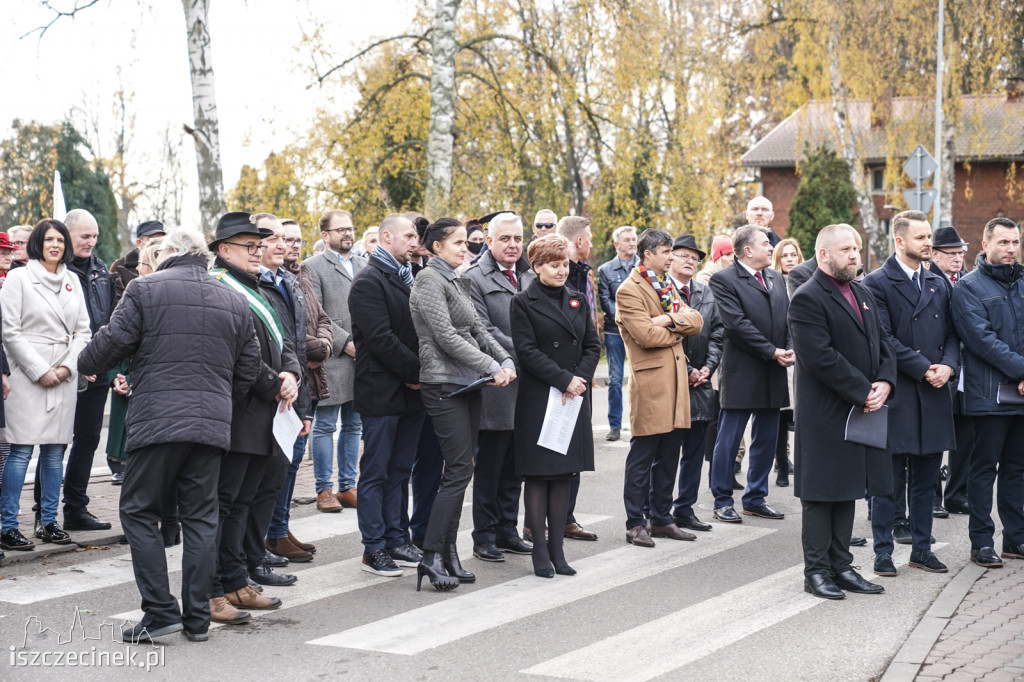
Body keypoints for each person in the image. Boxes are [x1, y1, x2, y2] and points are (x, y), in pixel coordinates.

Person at [78, 228, 261, 643]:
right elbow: (248, 366)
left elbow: (109, 343)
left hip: (158, 421)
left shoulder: (145, 289)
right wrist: (218, 399)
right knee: (201, 518)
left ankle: (160, 611)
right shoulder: (232, 297)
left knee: (140, 511)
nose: (154, 257)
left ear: (172, 253)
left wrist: (87, 361)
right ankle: (197, 619)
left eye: (158, 251)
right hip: (211, 425)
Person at [408, 217, 516, 591]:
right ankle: (430, 555)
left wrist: (504, 360)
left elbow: (479, 330)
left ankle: (448, 553)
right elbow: (445, 336)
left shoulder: (457, 278)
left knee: (462, 470)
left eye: (464, 242)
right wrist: (489, 365)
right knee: (456, 471)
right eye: (456, 242)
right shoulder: (428, 280)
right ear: (436, 246)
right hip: (441, 384)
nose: (463, 248)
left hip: (468, 384)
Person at [789, 223, 896, 599]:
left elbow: (883, 343)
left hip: (861, 409)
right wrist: (862, 389)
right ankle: (816, 572)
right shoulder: (807, 297)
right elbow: (820, 357)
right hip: (825, 414)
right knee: (821, 494)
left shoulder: (862, 292)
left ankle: (842, 566)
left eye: (857, 248)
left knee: (847, 489)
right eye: (847, 249)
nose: (855, 255)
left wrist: (885, 381)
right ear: (824, 254)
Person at [208, 212, 301, 620]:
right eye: (250, 246)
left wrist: (292, 374)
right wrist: (274, 381)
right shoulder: (220, 288)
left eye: (259, 244)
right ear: (223, 250)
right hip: (237, 411)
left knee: (242, 502)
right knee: (224, 503)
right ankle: (217, 587)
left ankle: (236, 580)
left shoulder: (257, 286)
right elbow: (235, 358)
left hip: (265, 412)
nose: (258, 251)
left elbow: (285, 342)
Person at [863, 210, 958, 577]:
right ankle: (883, 553)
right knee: (887, 483)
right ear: (899, 241)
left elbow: (953, 332)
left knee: (926, 480)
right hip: (899, 391)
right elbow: (884, 339)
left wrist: (948, 367)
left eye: (929, 236)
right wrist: (924, 368)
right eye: (920, 238)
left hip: (935, 392)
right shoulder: (876, 282)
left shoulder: (938, 282)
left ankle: (922, 549)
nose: (928, 243)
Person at [510, 234, 600, 576]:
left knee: (564, 474)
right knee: (538, 475)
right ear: (537, 267)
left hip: (572, 398)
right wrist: (564, 379)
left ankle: (559, 553)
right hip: (541, 397)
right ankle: (540, 553)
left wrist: (580, 378)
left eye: (564, 264)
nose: (561, 271)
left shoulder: (578, 299)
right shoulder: (522, 301)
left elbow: (592, 345)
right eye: (553, 265)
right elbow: (527, 351)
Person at [0, 219, 91, 551]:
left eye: (61, 240)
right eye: (50, 240)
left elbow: (84, 331)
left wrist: (67, 367)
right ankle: (7, 525)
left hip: (63, 374)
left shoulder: (72, 280)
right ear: (38, 242)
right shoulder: (19, 278)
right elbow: (9, 331)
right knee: (21, 450)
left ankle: (49, 522)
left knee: (55, 454)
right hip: (28, 373)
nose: (56, 245)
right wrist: (40, 369)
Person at [616, 228, 704, 548]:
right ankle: (635, 522)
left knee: (670, 454)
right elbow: (645, 336)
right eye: (667, 252)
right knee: (643, 455)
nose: (672, 257)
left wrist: (667, 320)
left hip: (677, 382)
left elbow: (696, 321)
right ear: (648, 254)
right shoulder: (629, 290)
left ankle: (662, 518)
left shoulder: (665, 285)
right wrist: (677, 325)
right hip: (652, 383)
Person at [349, 214, 426, 577]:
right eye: (408, 235)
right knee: (376, 472)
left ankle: (398, 538)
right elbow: (380, 339)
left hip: (412, 392)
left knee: (400, 470)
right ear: (386, 237)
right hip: (382, 390)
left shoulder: (406, 277)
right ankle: (374, 547)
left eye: (416, 236)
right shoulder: (368, 280)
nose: (415, 241)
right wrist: (416, 373)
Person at [951, 217, 1024, 568]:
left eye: (1015, 242)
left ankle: (1015, 539)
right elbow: (982, 341)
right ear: (985, 245)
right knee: (983, 470)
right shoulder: (968, 287)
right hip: (989, 395)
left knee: (1017, 469)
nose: (1010, 249)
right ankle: (981, 542)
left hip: (1022, 395)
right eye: (1003, 243)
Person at [245, 213, 313, 585]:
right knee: (253, 487)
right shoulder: (250, 284)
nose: (281, 244)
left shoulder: (288, 281)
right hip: (262, 396)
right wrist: (279, 382)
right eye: (271, 238)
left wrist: (301, 399)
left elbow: (293, 344)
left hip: (290, 393)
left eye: (284, 239)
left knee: (275, 479)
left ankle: (264, 546)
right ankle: (252, 556)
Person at [708, 225, 793, 523]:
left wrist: (789, 348)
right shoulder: (724, 280)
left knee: (766, 439)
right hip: (743, 371)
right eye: (765, 243)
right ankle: (722, 499)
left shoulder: (776, 279)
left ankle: (756, 497)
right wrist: (772, 351)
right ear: (746, 250)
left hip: (774, 370)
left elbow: (787, 320)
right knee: (729, 440)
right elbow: (735, 324)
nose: (771, 248)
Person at [465, 212, 535, 562]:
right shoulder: (473, 277)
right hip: (496, 384)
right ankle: (484, 535)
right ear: (488, 240)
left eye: (518, 239)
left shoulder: (529, 274)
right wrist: (526, 352)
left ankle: (508, 528)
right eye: (505, 238)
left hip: (528, 386)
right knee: (491, 466)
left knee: (516, 466)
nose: (512, 245)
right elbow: (481, 329)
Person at [265, 218, 332, 561]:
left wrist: (323, 344)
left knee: (289, 464)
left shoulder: (296, 279)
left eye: (294, 240)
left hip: (306, 382)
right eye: (281, 239)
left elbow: (321, 318)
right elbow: (284, 336)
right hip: (283, 382)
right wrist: (312, 349)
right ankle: (272, 533)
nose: (289, 245)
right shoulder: (265, 283)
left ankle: (279, 528)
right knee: (277, 466)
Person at [47, 209, 117, 535]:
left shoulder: (101, 270)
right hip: (65, 370)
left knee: (88, 440)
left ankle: (76, 508)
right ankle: (45, 515)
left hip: (98, 370)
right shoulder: (55, 272)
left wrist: (108, 364)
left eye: (95, 236)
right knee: (55, 443)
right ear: (67, 235)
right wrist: (76, 363)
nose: (91, 242)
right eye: (84, 237)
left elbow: (111, 321)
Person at [302, 209, 366, 512]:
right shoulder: (311, 267)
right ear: (325, 235)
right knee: (326, 424)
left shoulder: (364, 264)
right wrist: (346, 343)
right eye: (341, 229)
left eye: (351, 228)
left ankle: (347, 486)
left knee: (354, 425)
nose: (348, 234)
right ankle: (323, 489)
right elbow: (315, 313)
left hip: (364, 357)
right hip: (333, 356)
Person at [666, 235, 723, 532]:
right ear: (670, 258)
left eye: (694, 258)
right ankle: (659, 510)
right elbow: (665, 335)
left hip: (701, 382)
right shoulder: (661, 290)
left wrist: (708, 367)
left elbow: (717, 333)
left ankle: (684, 508)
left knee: (694, 451)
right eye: (683, 255)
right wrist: (687, 368)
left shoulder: (704, 291)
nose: (690, 261)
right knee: (666, 450)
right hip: (671, 380)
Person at [555, 215, 599, 542]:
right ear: (580, 241)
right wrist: (570, 376)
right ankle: (549, 519)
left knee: (577, 449)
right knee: (558, 449)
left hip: (581, 375)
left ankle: (566, 516)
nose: (592, 244)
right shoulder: (560, 278)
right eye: (591, 238)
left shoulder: (583, 273)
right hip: (562, 378)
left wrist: (586, 372)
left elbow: (590, 333)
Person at [929, 225, 972, 516]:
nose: (957, 258)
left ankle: (957, 494)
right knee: (935, 437)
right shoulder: (928, 279)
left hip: (967, 372)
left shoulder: (965, 281)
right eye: (951, 253)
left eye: (961, 253)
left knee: (965, 436)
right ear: (935, 254)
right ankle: (932, 498)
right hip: (938, 368)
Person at [597, 225, 638, 443]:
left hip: (641, 333)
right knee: (614, 379)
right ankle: (614, 425)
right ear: (617, 244)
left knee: (641, 378)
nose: (632, 243)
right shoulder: (606, 270)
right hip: (615, 332)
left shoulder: (644, 266)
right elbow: (606, 301)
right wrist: (628, 319)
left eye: (634, 239)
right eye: (627, 240)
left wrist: (638, 323)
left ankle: (639, 422)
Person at [770, 237, 804, 487]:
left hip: (804, 355)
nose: (790, 259)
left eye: (794, 255)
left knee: (802, 413)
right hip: (782, 354)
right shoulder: (772, 284)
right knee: (781, 415)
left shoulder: (805, 282)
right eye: (785, 255)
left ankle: (802, 463)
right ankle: (782, 463)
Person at [110, 220, 167, 298]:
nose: (158, 244)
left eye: (161, 240)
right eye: (152, 241)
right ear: (139, 243)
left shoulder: (170, 265)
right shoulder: (120, 267)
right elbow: (115, 303)